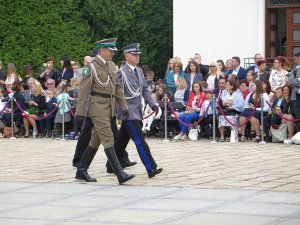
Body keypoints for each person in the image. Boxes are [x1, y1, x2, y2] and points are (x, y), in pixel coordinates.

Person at [75, 38, 135, 184]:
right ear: (102, 50)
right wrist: (80, 112)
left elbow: (117, 87)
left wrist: (124, 106)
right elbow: (83, 90)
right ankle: (120, 173)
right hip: (97, 108)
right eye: (110, 51)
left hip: (109, 107)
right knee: (108, 138)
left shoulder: (111, 65)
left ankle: (81, 170)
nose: (113, 53)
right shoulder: (91, 67)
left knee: (95, 140)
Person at [108, 42, 163, 178]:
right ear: (127, 56)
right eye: (134, 54)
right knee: (140, 140)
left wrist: (153, 104)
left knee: (121, 141)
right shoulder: (121, 72)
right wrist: (118, 109)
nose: (137, 57)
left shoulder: (138, 71)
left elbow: (144, 89)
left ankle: (110, 165)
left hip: (136, 110)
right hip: (128, 112)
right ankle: (151, 168)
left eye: (138, 54)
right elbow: (116, 92)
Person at [289, 52, 300, 133]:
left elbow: (294, 82)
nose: (295, 61)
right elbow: (291, 81)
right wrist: (298, 80)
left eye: (295, 59)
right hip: (296, 96)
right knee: (297, 116)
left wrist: (297, 81)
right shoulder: (294, 70)